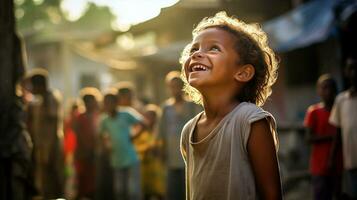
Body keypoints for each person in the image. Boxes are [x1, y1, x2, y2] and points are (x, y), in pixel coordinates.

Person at [179, 12, 282, 200]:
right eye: (194, 49)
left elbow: (272, 195)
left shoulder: (250, 120)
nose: (197, 54)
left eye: (214, 48)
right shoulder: (188, 130)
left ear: (243, 73)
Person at [159, 71, 201, 200]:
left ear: (183, 87)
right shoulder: (166, 107)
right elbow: (162, 131)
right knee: (172, 188)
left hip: (189, 152)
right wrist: (161, 150)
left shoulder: (192, 105)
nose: (175, 89)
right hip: (171, 152)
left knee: (189, 188)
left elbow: (199, 127)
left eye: (177, 86)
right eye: (172, 86)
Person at [26, 68, 64, 199]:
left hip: (51, 145)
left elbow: (52, 124)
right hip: (43, 146)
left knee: (52, 177)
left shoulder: (50, 98)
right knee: (44, 178)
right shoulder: (39, 100)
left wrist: (49, 148)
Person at [99, 91, 144, 200]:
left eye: (110, 102)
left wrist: (134, 136)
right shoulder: (105, 120)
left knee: (133, 191)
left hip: (131, 159)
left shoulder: (126, 114)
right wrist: (106, 146)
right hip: (116, 160)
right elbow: (101, 136)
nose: (108, 105)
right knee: (119, 191)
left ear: (116, 103)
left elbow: (143, 123)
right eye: (106, 103)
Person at [304, 74, 343, 200]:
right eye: (324, 88)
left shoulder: (341, 110)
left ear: (336, 90)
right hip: (319, 167)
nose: (328, 91)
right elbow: (308, 138)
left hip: (339, 165)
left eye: (331, 88)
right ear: (319, 90)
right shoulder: (313, 111)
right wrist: (332, 137)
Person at [330, 57, 357, 199]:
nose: (354, 73)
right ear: (346, 72)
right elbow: (338, 133)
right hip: (351, 162)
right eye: (351, 68)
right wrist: (332, 159)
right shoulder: (341, 100)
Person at [73, 87, 101, 200]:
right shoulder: (80, 116)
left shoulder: (99, 116)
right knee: (83, 178)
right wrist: (87, 148)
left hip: (95, 152)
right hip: (83, 152)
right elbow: (78, 134)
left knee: (94, 179)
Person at [133, 104, 165, 200]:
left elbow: (163, 146)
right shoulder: (140, 132)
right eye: (147, 116)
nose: (149, 119)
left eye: (152, 116)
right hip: (144, 167)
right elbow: (135, 147)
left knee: (159, 192)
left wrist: (158, 149)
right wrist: (146, 148)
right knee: (146, 193)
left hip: (157, 167)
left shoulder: (160, 132)